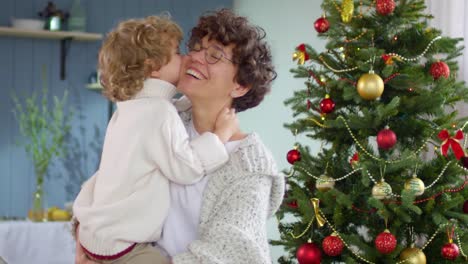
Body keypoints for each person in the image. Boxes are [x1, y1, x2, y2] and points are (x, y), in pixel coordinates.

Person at [76, 9, 284, 264]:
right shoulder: (160, 119)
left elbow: (227, 253)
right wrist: (85, 241)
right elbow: (111, 186)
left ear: (239, 86)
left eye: (214, 55)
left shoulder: (250, 169)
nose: (195, 57)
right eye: (196, 47)